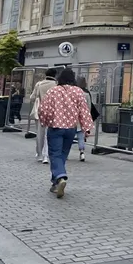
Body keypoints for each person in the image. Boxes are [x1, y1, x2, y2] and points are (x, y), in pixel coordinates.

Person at [37, 68, 93, 199]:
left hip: (56, 127)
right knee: (62, 154)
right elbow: (84, 111)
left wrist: (44, 121)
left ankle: (61, 176)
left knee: (55, 154)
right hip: (71, 128)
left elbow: (44, 109)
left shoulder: (53, 91)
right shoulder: (78, 92)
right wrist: (86, 128)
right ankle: (56, 182)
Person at [27, 70, 58, 163]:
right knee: (50, 133)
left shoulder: (39, 84)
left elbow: (32, 98)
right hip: (53, 112)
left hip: (40, 111)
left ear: (46, 75)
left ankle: (39, 154)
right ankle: (47, 155)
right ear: (55, 75)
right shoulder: (56, 85)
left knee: (40, 133)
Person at [74, 76, 96, 162]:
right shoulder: (86, 94)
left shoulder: (73, 93)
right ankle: (82, 152)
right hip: (82, 118)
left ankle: (66, 153)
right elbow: (89, 107)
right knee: (81, 136)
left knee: (69, 137)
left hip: (72, 118)